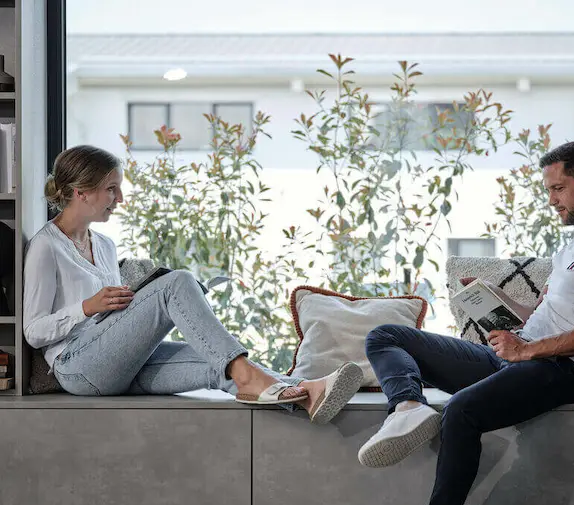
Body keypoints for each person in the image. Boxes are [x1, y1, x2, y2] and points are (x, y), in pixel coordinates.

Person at [359, 141, 574, 505]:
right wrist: (495, 299)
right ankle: (408, 408)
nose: (552, 200)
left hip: (562, 369)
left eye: (558, 189)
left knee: (460, 410)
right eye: (548, 190)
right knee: (386, 336)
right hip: (520, 355)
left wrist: (526, 350)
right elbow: (543, 317)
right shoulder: (571, 250)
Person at [23, 145, 363, 423]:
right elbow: (33, 331)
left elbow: (113, 323)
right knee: (177, 282)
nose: (120, 198)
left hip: (116, 361)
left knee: (217, 364)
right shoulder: (46, 246)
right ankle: (257, 380)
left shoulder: (106, 246)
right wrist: (87, 307)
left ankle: (306, 392)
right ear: (81, 192)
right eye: (112, 189)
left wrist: (133, 303)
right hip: (77, 367)